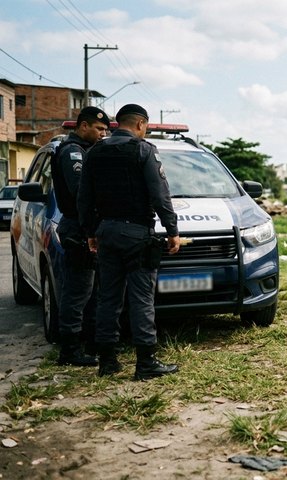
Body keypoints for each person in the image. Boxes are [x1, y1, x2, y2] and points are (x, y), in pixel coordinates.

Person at [78, 104, 181, 380]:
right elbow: (160, 195)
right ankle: (145, 362)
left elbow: (84, 198)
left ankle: (107, 361)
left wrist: (90, 232)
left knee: (108, 298)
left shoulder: (94, 152)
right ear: (140, 125)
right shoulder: (143, 150)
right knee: (141, 298)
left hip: (106, 232)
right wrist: (172, 230)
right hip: (137, 233)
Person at [51, 106, 110, 366]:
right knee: (77, 290)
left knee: (92, 290)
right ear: (83, 126)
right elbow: (80, 193)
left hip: (86, 226)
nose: (102, 134)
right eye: (98, 129)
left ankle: (89, 344)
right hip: (77, 227)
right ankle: (69, 351)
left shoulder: (87, 151)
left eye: (105, 130)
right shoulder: (72, 152)